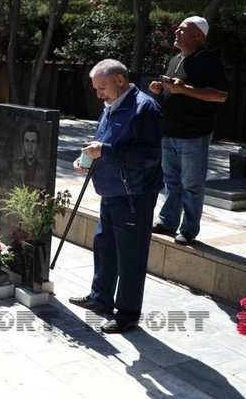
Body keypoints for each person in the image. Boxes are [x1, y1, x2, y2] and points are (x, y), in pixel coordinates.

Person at [69, 59, 163, 334]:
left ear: (119, 80)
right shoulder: (113, 104)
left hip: (134, 193)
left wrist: (106, 151)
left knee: (130, 255)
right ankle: (101, 298)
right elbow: (104, 141)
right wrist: (85, 158)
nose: (98, 93)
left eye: (102, 87)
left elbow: (149, 156)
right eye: (96, 88)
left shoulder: (144, 108)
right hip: (111, 190)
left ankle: (128, 313)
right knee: (104, 244)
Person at [148, 16, 228, 246]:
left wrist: (184, 90)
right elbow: (174, 90)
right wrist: (159, 90)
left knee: (192, 186)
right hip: (169, 132)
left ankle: (189, 229)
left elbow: (220, 95)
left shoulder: (208, 60)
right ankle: (168, 221)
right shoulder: (175, 59)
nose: (176, 32)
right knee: (171, 182)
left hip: (194, 134)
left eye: (183, 29)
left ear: (198, 36)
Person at [11, 124, 48, 190]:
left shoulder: (44, 171)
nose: (29, 147)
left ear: (38, 145)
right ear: (23, 143)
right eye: (27, 141)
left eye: (33, 142)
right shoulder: (14, 166)